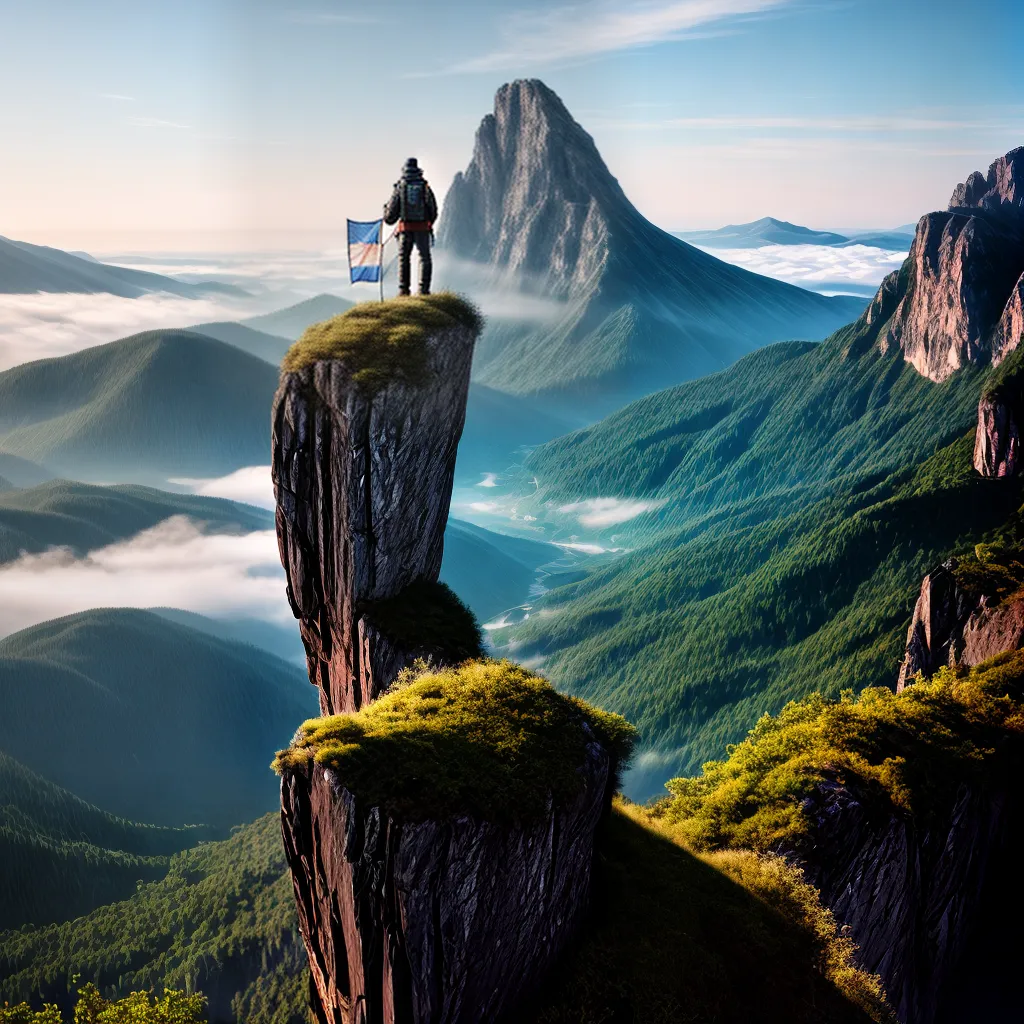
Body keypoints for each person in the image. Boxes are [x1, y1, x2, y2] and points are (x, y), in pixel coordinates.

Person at [383, 158, 438, 296]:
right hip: (423, 229)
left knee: (404, 258)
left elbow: (390, 216)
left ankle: (404, 290)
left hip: (405, 229)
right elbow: (433, 210)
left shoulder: (400, 187)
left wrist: (385, 210)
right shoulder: (425, 187)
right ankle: (424, 290)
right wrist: (428, 222)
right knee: (425, 257)